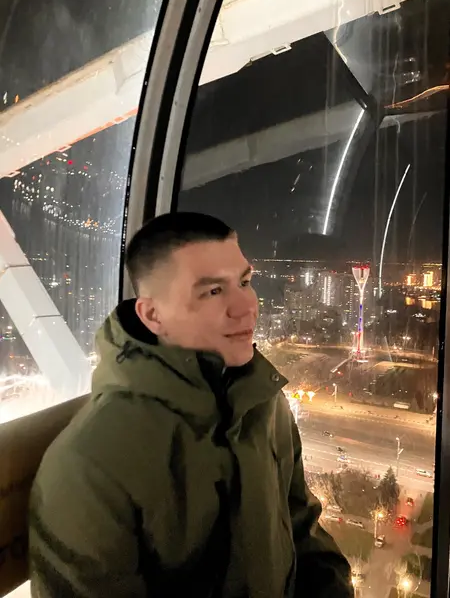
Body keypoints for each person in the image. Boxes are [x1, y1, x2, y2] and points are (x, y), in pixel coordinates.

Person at [29, 212, 353, 597]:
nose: (246, 307)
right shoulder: (90, 464)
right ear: (153, 315)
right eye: (213, 291)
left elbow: (302, 531)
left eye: (244, 282)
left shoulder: (263, 404)